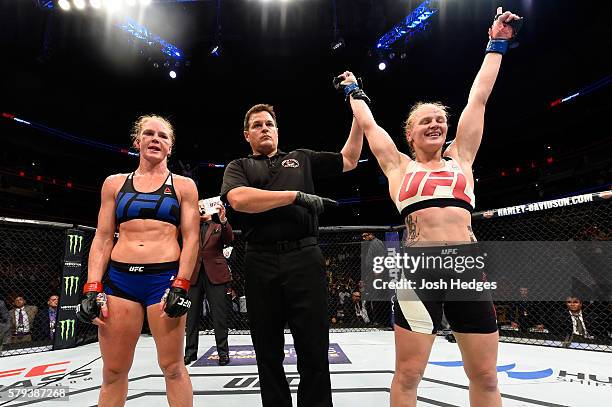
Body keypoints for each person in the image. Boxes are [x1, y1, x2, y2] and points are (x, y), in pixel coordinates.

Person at [339, 7, 523, 406]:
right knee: (408, 374)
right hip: (418, 272)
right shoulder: (398, 167)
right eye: (425, 120)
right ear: (410, 132)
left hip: (466, 268)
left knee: (486, 376)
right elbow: (370, 126)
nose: (436, 124)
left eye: (440, 119)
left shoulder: (463, 158)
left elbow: (479, 97)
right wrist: (354, 91)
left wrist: (497, 44)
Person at [220, 103, 364, 407]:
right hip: (260, 259)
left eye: (269, 123)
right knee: (267, 349)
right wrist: (295, 196)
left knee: (313, 346)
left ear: (277, 129)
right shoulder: (239, 166)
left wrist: (358, 113)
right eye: (257, 125)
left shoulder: (300, 159)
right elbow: (239, 200)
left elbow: (350, 159)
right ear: (247, 135)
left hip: (305, 256)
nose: (264, 129)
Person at [75, 115, 199, 407]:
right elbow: (104, 237)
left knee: (173, 368)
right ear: (137, 142)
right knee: (114, 370)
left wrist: (182, 284)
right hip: (120, 282)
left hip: (163, 281)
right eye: (148, 133)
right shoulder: (114, 184)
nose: (155, 139)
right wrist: (92, 285)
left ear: (170, 147)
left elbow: (192, 238)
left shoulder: (184, 186)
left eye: (163, 136)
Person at [185, 201, 234, 366]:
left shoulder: (218, 225)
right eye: (198, 207)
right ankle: (190, 352)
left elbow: (229, 238)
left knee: (219, 316)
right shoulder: (189, 227)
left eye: (203, 207)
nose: (201, 209)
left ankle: (223, 353)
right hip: (194, 275)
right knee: (191, 316)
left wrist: (223, 219)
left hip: (216, 274)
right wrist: (190, 216)